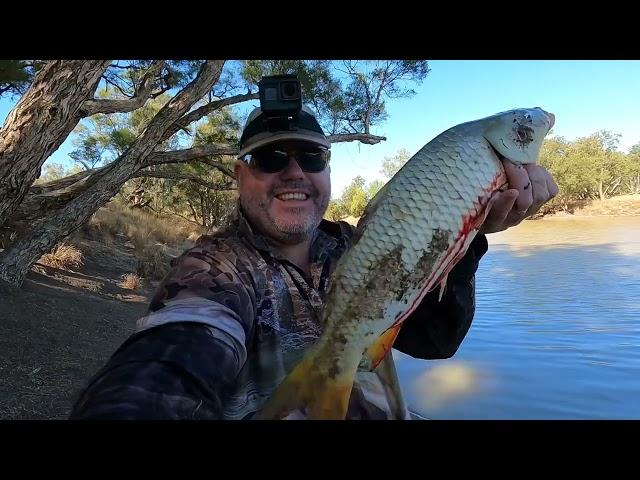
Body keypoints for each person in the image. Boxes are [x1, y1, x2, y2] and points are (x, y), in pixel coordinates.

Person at [69, 101, 558, 420]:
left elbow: (434, 341)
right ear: (240, 175)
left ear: (328, 170)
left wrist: (468, 239)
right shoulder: (215, 269)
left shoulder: (357, 245)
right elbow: (165, 362)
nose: (294, 172)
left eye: (311, 158)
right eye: (270, 159)